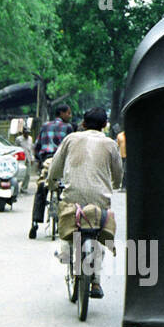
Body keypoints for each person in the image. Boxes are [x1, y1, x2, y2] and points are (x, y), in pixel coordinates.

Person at [46, 106, 123, 299]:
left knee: (67, 227)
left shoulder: (71, 139)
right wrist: (114, 184)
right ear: (105, 125)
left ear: (82, 123)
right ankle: (95, 281)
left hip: (73, 198)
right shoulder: (110, 144)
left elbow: (55, 166)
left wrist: (51, 182)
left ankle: (66, 253)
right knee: (98, 235)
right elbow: (118, 173)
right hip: (100, 200)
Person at [29, 102, 75, 239]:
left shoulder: (45, 126)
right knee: (68, 190)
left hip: (47, 161)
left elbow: (37, 146)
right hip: (62, 162)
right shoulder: (68, 127)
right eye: (68, 113)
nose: (70, 115)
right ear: (61, 113)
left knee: (41, 189)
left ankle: (35, 223)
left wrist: (39, 160)